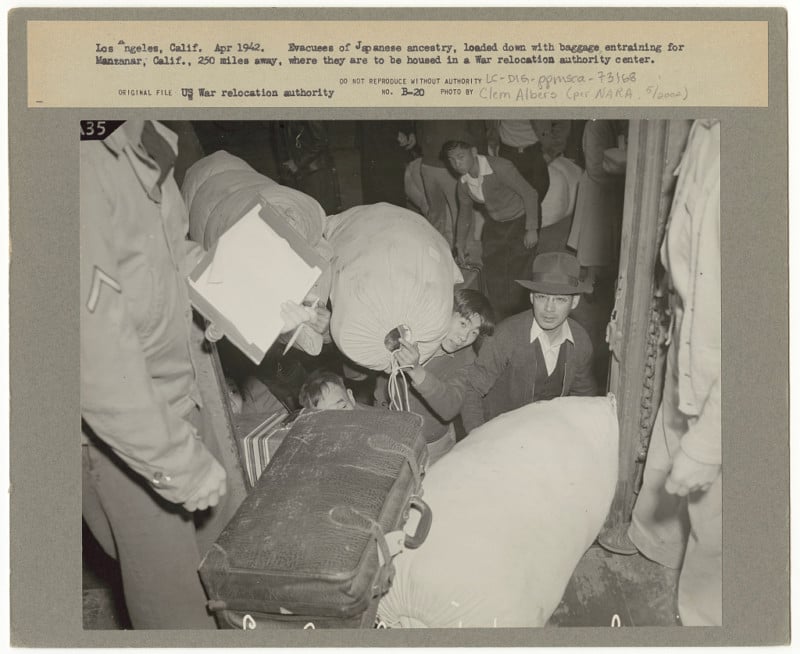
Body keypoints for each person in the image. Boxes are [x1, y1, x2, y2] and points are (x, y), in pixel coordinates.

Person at [80, 120, 228, 629]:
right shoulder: (77, 163)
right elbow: (94, 360)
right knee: (177, 614)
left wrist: (244, 294)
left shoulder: (140, 131)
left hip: (183, 397)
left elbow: (170, 251)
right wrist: (178, 466)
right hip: (124, 436)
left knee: (229, 569)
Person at [627, 120, 721, 626]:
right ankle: (659, 550)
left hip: (722, 349)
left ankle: (708, 623)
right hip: (688, 326)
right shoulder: (704, 128)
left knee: (718, 519)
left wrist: (710, 442)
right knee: (670, 438)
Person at [461, 251, 597, 433]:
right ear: (532, 297)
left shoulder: (580, 340)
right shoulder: (506, 335)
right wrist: (478, 438)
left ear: (574, 302)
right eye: (542, 297)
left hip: (548, 433)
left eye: (560, 299)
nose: (549, 308)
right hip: (500, 434)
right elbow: (472, 388)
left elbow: (583, 395)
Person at [374, 289, 496, 464]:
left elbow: (450, 407)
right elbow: (356, 373)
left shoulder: (468, 360)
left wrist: (416, 370)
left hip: (433, 445)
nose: (464, 337)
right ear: (446, 312)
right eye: (463, 324)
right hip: (388, 431)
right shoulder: (410, 333)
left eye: (474, 333)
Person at [445, 139, 541, 320]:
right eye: (451, 160)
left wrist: (532, 228)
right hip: (496, 223)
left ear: (473, 152)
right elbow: (465, 215)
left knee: (519, 269)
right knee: (493, 267)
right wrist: (460, 244)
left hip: (520, 219)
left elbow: (530, 193)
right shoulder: (463, 183)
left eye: (460, 157)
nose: (457, 164)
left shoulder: (500, 167)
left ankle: (521, 316)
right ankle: (498, 314)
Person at [415, 120, 488, 249]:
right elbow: (477, 134)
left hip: (440, 166)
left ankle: (452, 259)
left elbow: (420, 136)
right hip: (442, 166)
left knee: (446, 216)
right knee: (454, 215)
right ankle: (456, 259)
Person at [272, 120, 341, 214]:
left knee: (322, 212)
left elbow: (321, 141)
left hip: (315, 170)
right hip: (300, 170)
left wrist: (297, 163)